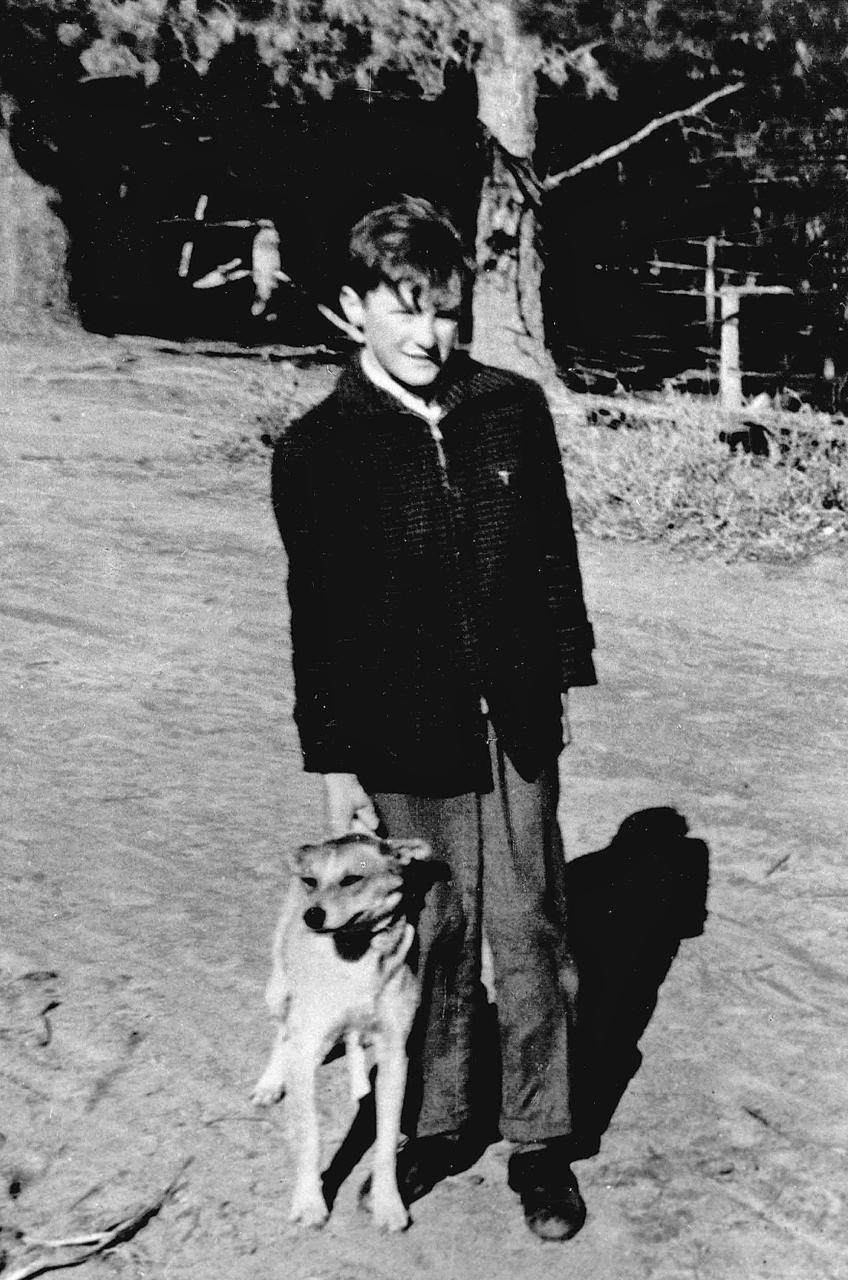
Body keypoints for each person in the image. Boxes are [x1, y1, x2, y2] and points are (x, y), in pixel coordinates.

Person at [270, 196, 597, 1242]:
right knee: (435, 936)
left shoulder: (509, 407)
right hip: (398, 733)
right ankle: (441, 1116)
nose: (426, 335)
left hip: (511, 724)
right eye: (403, 309)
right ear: (349, 308)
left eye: (444, 312)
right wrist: (335, 765)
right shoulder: (319, 448)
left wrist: (550, 686)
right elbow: (313, 619)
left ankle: (540, 1138)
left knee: (530, 927)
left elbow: (552, 557)